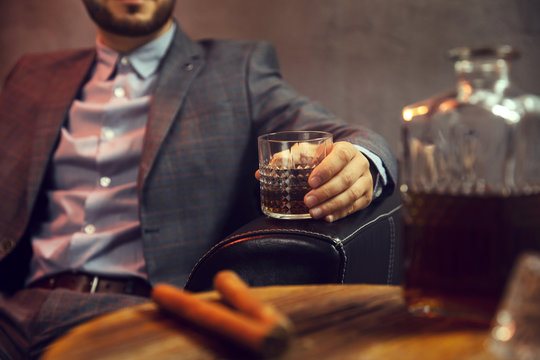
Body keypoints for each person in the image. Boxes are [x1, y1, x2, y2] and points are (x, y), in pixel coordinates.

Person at [0, 0, 397, 358]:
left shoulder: (236, 69)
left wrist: (360, 159)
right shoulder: (31, 74)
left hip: (149, 313)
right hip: (15, 309)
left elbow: (340, 133)